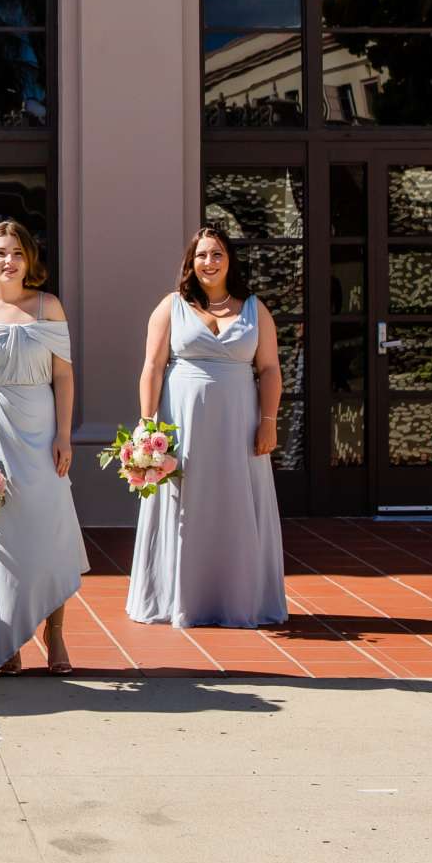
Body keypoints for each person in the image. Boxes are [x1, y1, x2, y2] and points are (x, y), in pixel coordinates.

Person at [126, 228, 287, 628]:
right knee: (185, 502)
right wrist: (147, 427)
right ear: (190, 262)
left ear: (229, 260)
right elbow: (151, 367)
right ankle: (176, 599)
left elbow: (269, 370)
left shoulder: (254, 309)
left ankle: (238, 599)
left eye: (217, 254)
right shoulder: (171, 306)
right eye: (201, 256)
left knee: (235, 501)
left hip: (239, 426)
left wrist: (269, 422)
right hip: (181, 427)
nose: (209, 262)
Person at [0, 221, 86, 674]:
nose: (9, 261)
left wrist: (64, 435)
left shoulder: (49, 306)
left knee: (47, 534)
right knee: (0, 538)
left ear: (30, 261)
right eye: (1, 253)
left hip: (41, 432)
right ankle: (5, 637)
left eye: (18, 254)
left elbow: (63, 376)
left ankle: (56, 634)